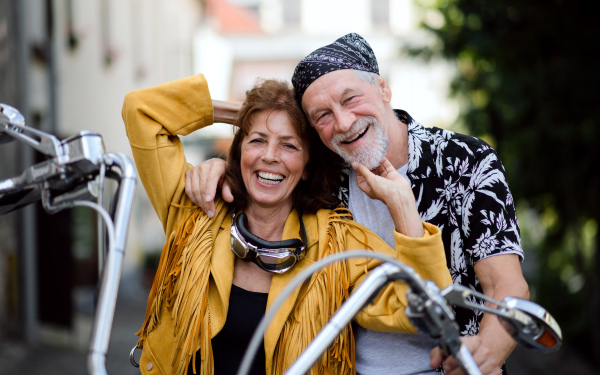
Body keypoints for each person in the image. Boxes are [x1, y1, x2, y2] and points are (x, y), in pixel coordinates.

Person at [185, 33, 530, 375]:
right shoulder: (323, 174)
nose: (344, 123)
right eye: (322, 115)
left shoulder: (464, 161)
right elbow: (264, 160)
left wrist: (488, 352)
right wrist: (223, 162)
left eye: (351, 99)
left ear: (383, 88)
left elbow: (506, 285)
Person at [122, 74, 452, 375]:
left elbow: (423, 309)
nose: (270, 155)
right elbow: (142, 110)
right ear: (238, 153)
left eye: (289, 144)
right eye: (256, 140)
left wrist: (403, 207)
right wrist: (251, 111)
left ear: (307, 167)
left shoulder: (338, 244)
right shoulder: (195, 210)